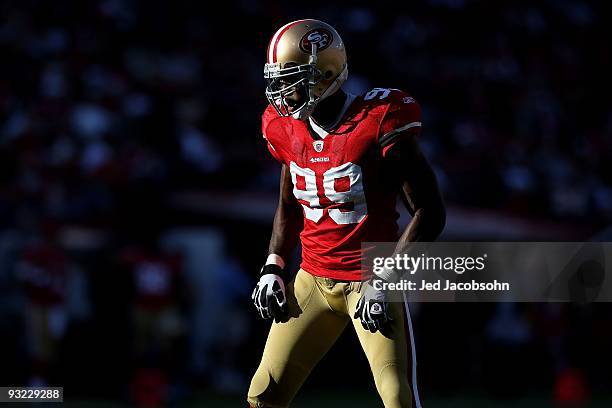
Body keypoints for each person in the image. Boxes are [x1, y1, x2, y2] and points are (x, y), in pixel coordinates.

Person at [248, 19, 445, 408]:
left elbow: (429, 212)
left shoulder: (380, 117)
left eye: (293, 78)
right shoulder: (283, 127)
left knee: (397, 398)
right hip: (312, 280)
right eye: (278, 79)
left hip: (368, 279)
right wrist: (273, 264)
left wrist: (386, 277)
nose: (281, 92)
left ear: (326, 73)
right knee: (263, 394)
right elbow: (289, 205)